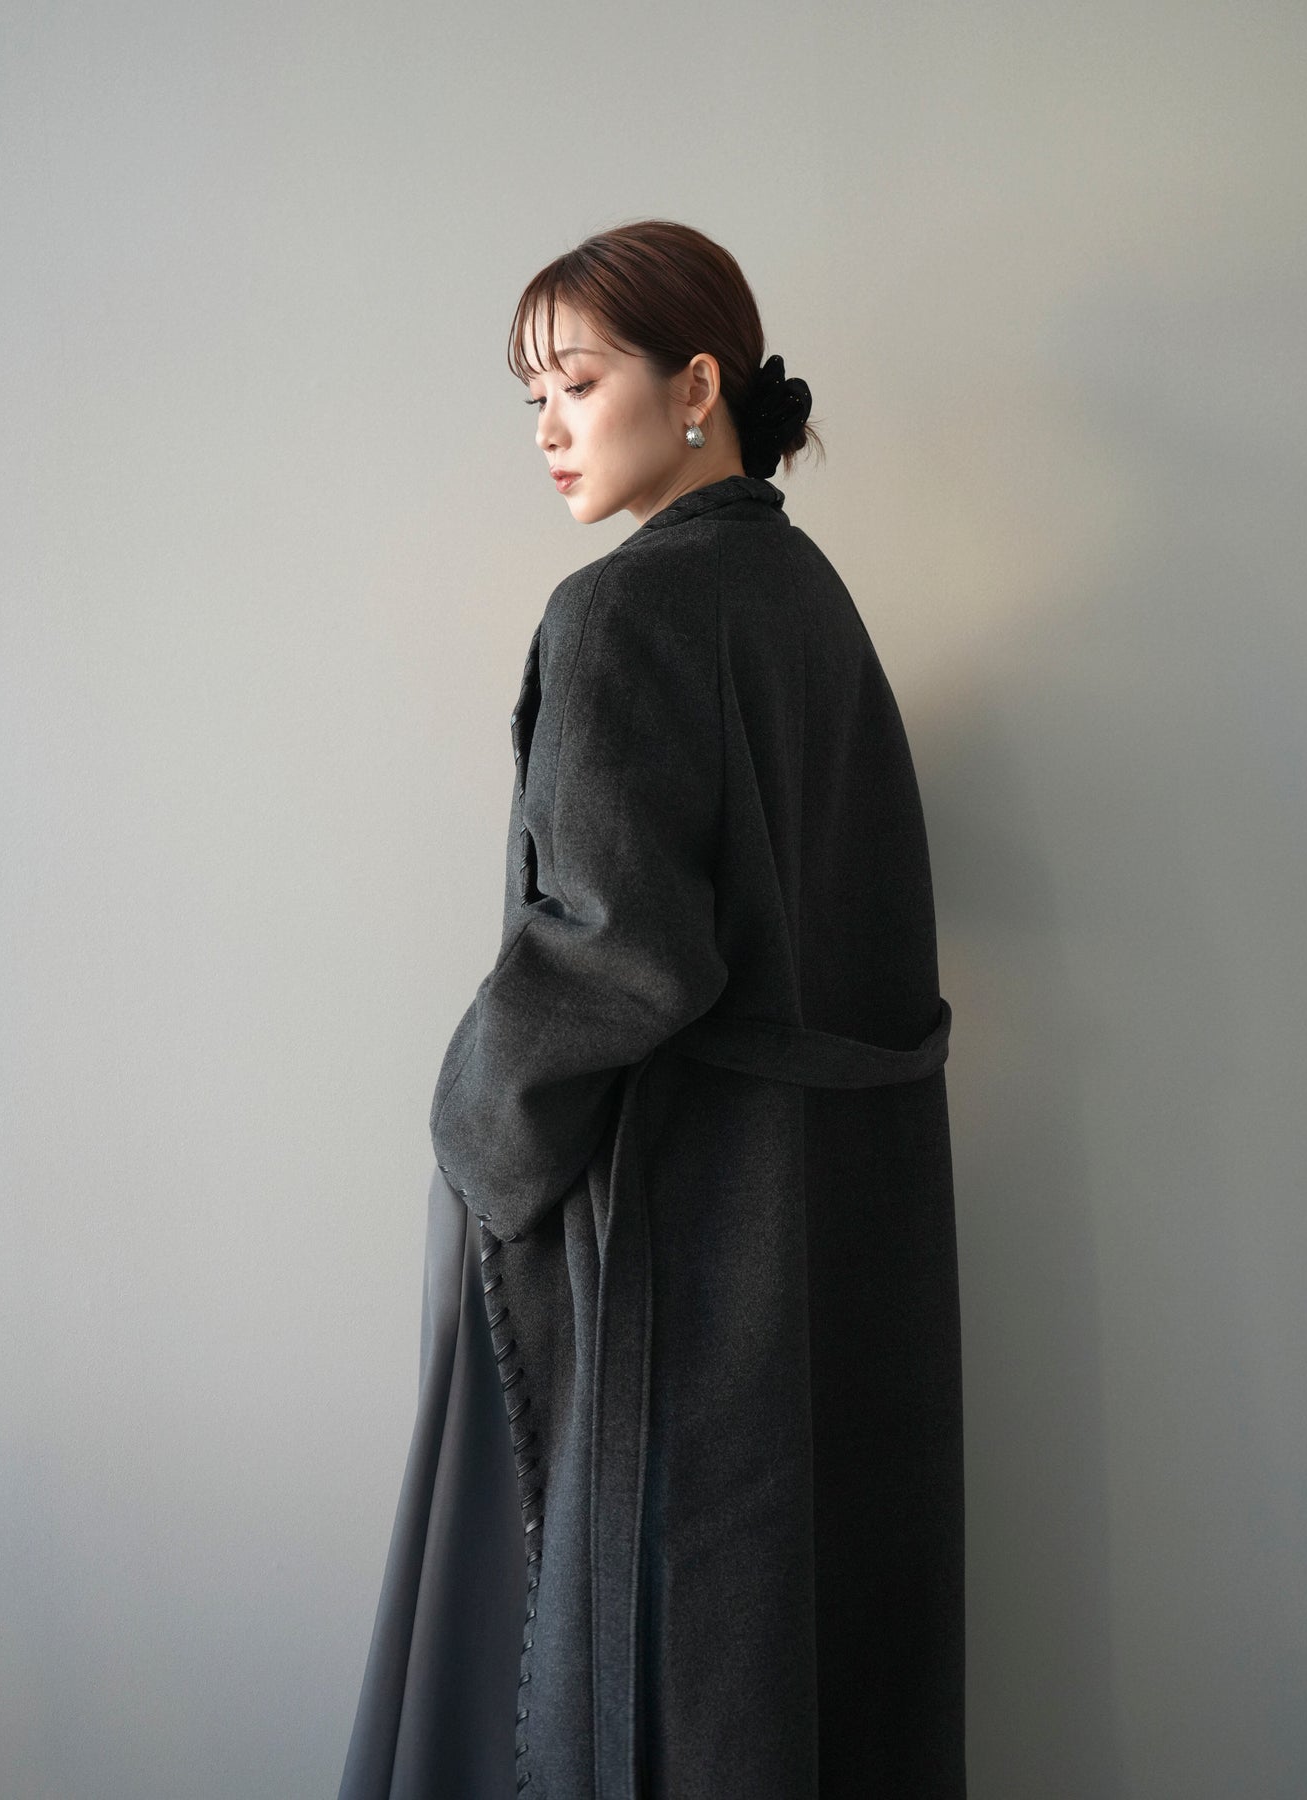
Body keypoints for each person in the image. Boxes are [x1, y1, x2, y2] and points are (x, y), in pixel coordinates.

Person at [338, 219, 964, 1800]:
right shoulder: (808, 595)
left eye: (577, 382)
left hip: (686, 1237)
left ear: (694, 388)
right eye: (532, 396)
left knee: (645, 1672)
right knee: (801, 1655)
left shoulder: (621, 610)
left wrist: (476, 1133)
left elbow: (619, 948)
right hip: (834, 1234)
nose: (547, 428)